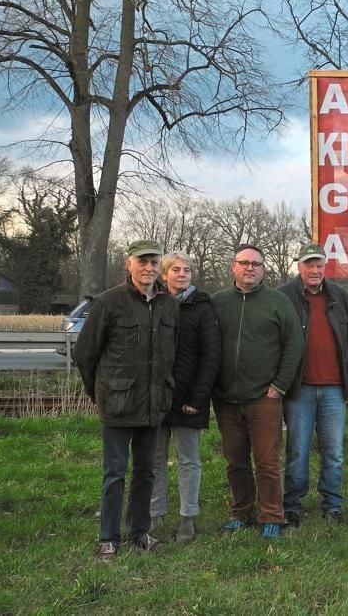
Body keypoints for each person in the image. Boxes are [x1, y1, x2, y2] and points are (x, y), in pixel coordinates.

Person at [76, 239, 179, 560]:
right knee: (114, 474)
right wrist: (101, 392)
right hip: (117, 404)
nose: (148, 268)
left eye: (153, 262)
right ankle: (108, 537)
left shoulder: (169, 304)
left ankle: (139, 532)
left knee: (147, 471)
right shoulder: (109, 303)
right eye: (142, 262)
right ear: (129, 264)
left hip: (153, 403)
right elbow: (84, 353)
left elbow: (172, 352)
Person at [213, 244, 303, 540]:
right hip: (226, 399)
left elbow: (294, 345)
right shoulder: (218, 303)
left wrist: (279, 385)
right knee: (235, 460)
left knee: (266, 461)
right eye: (244, 263)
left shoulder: (277, 302)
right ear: (233, 267)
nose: (250, 268)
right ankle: (241, 512)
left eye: (256, 264)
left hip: (264, 398)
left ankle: (271, 515)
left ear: (264, 270)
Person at [277, 242, 348, 526]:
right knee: (297, 450)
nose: (314, 270)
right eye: (309, 265)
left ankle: (332, 504)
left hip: (334, 388)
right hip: (300, 388)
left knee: (334, 451)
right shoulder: (283, 296)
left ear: (325, 266)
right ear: (299, 266)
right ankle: (292, 505)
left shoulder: (339, 296)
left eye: (319, 265)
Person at [149, 252, 221, 544]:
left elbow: (211, 356)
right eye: (175, 270)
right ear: (163, 275)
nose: (182, 274)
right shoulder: (153, 304)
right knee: (153, 459)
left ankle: (187, 519)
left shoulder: (202, 307)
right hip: (156, 399)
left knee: (188, 460)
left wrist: (198, 397)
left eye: (187, 270)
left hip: (189, 399)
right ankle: (154, 515)